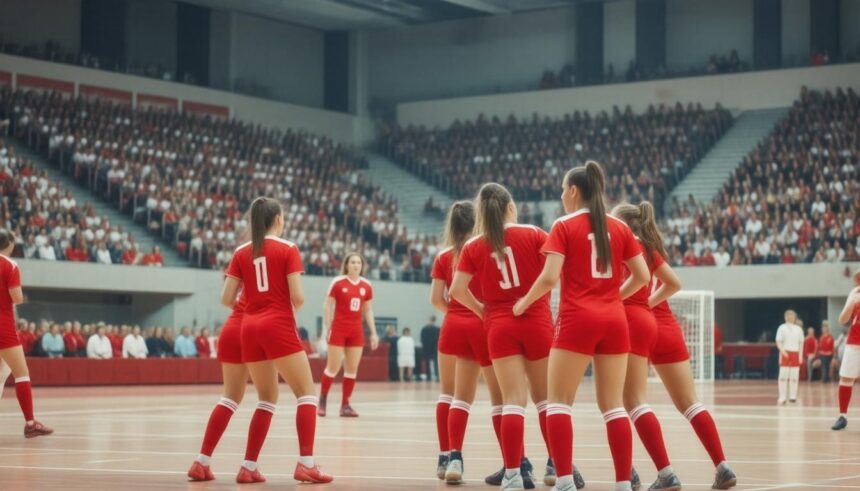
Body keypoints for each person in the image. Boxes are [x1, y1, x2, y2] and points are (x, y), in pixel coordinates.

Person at [513, 162, 649, 491]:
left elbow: (548, 277)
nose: (561, 195)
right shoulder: (619, 228)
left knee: (558, 401)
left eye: (562, 189)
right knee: (613, 406)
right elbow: (643, 277)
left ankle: (563, 482)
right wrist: (613, 296)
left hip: (577, 320)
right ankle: (622, 484)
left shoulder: (563, 225)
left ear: (574, 191)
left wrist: (523, 303)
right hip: (615, 320)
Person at [452, 183, 564, 490]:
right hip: (537, 321)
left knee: (512, 401)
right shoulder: (536, 234)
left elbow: (456, 291)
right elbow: (554, 276)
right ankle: (555, 467)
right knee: (546, 401)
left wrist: (483, 312)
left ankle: (513, 475)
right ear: (511, 206)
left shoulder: (475, 245)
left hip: (499, 327)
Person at [221, 197, 332, 483]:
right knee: (306, 393)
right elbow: (297, 297)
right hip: (277, 323)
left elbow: (226, 298)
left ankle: (248, 466)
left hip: (248, 326)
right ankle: (306, 462)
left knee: (266, 399)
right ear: (278, 219)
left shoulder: (241, 251)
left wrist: (255, 310)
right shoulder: (288, 248)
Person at [431, 201, 529, 486]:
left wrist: (456, 313)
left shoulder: (444, 256)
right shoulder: (483, 248)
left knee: (452, 396)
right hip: (484, 324)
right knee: (503, 400)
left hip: (453, 326)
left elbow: (437, 299)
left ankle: (451, 458)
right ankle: (515, 462)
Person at [611, 202, 684, 490]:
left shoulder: (619, 243)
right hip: (644, 319)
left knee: (621, 402)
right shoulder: (650, 247)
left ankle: (651, 472)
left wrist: (616, 299)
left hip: (625, 320)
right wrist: (646, 303)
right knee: (627, 400)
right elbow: (674, 283)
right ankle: (645, 471)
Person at [187, 289, 249, 481]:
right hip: (257, 328)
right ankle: (250, 466)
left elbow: (226, 298)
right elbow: (296, 300)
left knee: (229, 397)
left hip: (231, 327)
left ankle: (201, 461)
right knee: (269, 399)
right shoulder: (280, 260)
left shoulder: (241, 258)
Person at [0, 229, 53, 437]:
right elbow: (17, 297)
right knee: (21, 375)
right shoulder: (10, 265)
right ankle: (30, 423)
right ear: (9, 244)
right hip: (3, 325)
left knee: (2, 373)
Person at [318, 253, 378, 418]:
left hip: (356, 331)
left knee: (351, 370)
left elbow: (368, 310)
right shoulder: (338, 282)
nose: (356, 265)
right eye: (353, 262)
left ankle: (345, 405)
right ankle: (322, 400)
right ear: (346, 265)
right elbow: (327, 305)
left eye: (358, 262)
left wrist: (373, 333)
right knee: (333, 367)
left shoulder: (366, 285)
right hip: (338, 329)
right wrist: (328, 326)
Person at [832, 267, 860, 431]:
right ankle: (842, 416)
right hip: (854, 342)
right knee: (846, 379)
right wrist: (852, 302)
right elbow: (842, 319)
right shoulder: (855, 293)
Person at [776, 310, 804, 404]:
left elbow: (801, 343)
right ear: (785, 317)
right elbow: (778, 341)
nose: (790, 317)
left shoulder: (798, 329)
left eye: (792, 315)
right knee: (783, 377)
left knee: (794, 377)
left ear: (795, 317)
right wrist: (783, 351)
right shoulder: (782, 328)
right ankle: (782, 397)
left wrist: (800, 356)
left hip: (795, 353)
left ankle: (793, 396)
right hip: (785, 353)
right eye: (788, 315)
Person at [420, 316, 440, 382]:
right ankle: (433, 376)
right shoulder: (436, 329)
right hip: (431, 348)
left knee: (434, 363)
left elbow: (422, 339)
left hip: (430, 348)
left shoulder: (425, 329)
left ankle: (434, 376)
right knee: (432, 363)